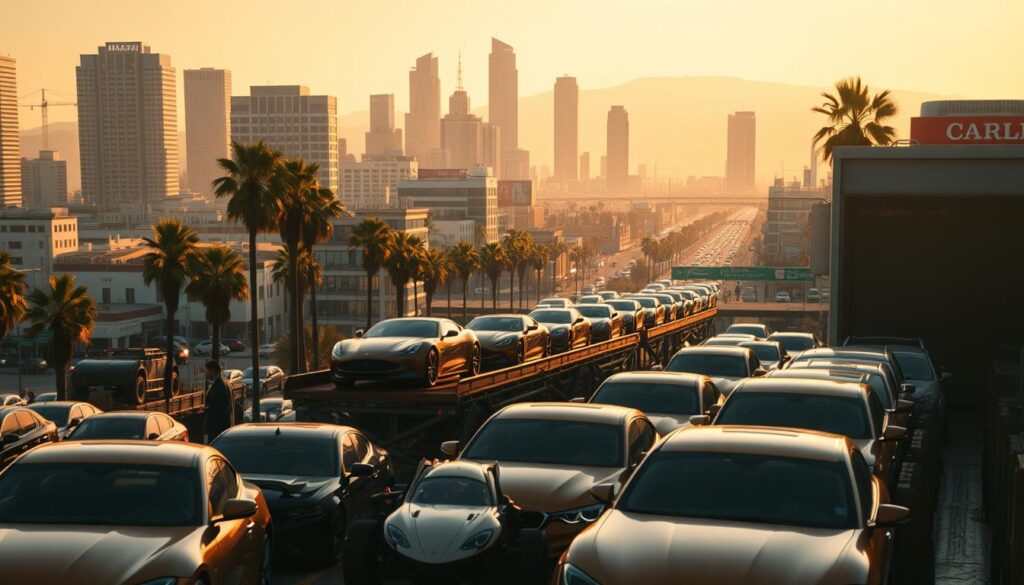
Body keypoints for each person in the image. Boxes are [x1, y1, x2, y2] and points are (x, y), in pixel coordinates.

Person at [203, 360, 233, 443]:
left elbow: (220, 407)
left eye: (206, 371)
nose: (205, 374)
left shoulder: (219, 386)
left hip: (217, 428)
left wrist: (206, 409)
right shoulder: (224, 383)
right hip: (222, 427)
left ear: (212, 370)